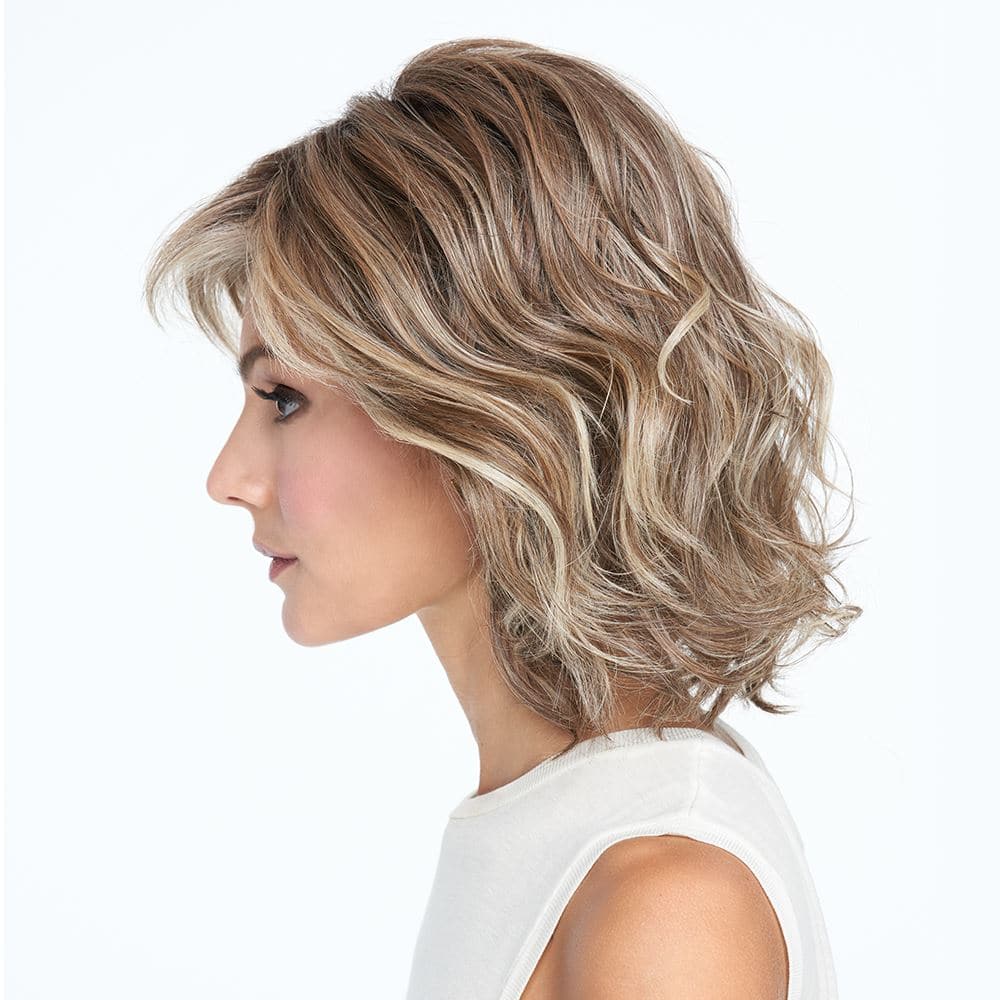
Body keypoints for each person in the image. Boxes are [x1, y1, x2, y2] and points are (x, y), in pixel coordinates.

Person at [143, 36, 861, 1000]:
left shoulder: (661, 900)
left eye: (283, 398)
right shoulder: (559, 828)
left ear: (489, 407)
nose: (227, 478)